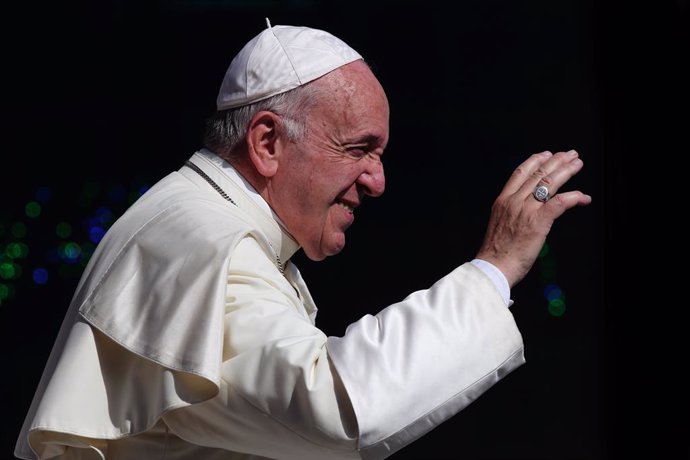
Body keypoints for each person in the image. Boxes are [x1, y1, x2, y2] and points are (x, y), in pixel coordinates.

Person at [14, 19, 591, 460]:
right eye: (360, 148)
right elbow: (337, 403)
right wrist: (495, 267)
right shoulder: (204, 241)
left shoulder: (191, 215)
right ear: (267, 143)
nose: (378, 180)